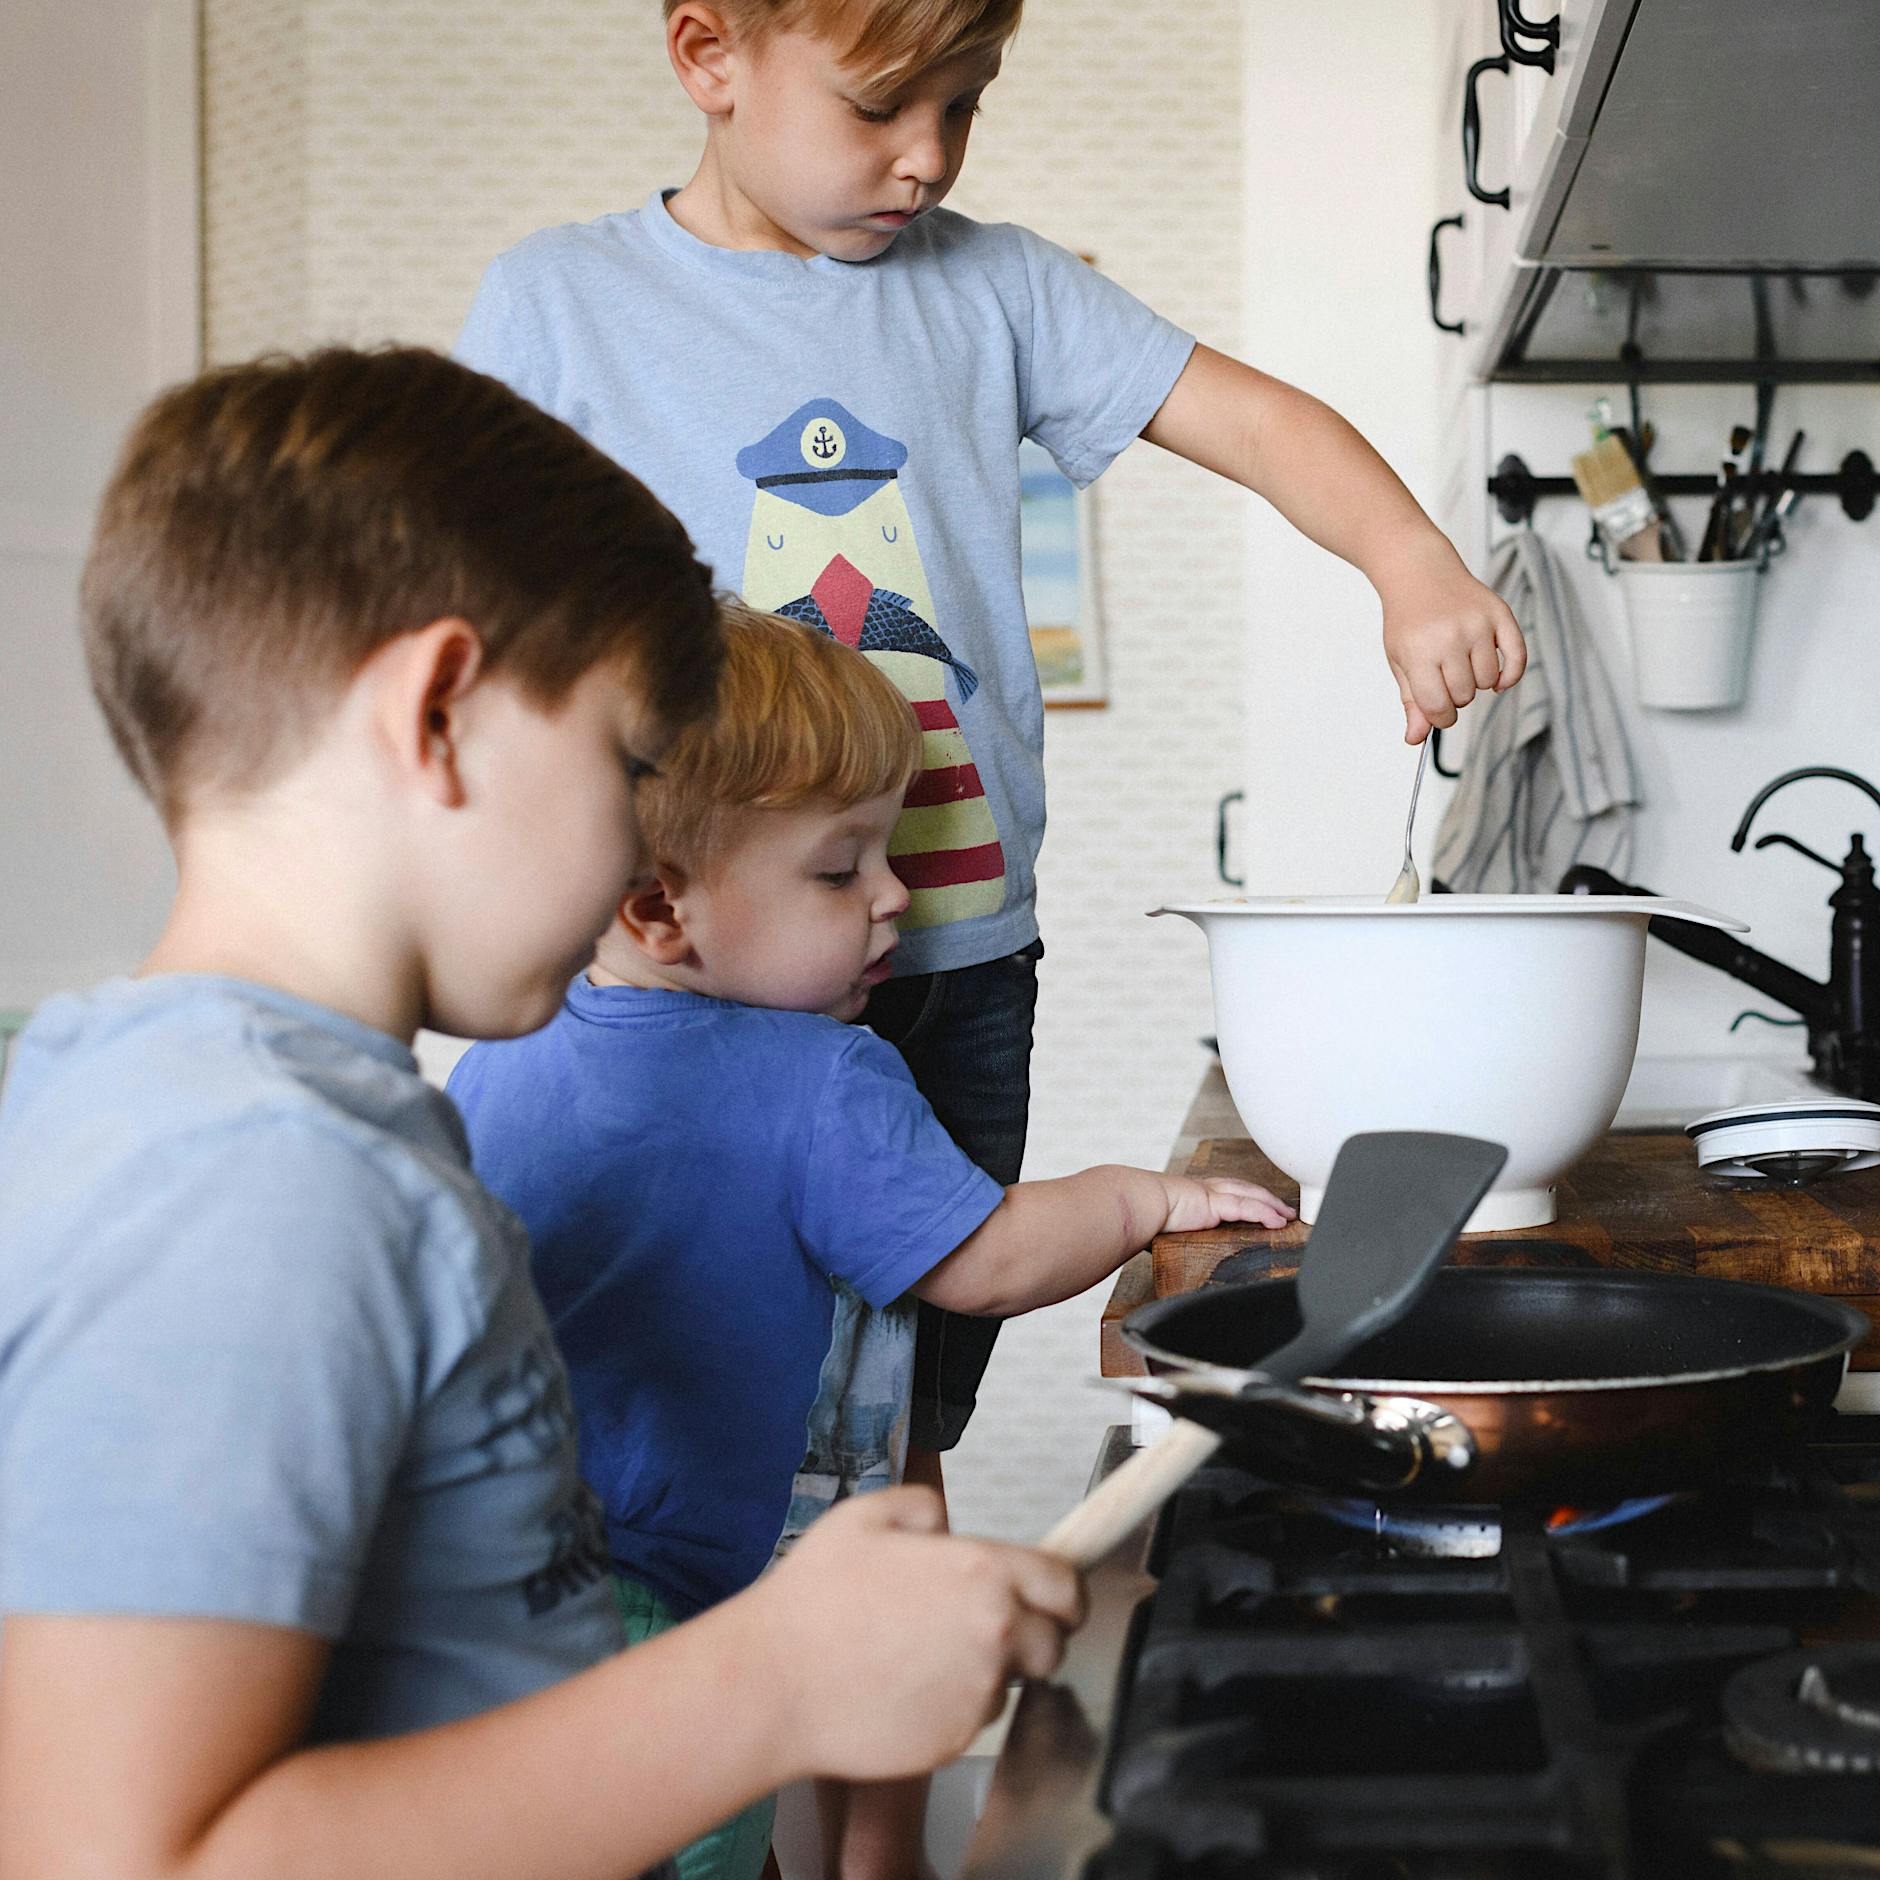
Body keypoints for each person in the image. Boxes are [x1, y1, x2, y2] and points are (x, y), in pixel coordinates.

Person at [454, 0, 1524, 1591]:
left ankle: (874, 1830)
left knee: (895, 1432)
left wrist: (1410, 559)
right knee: (649, 1416)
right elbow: (465, 614)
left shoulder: (996, 283)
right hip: (667, 985)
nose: (932, 155)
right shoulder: (564, 302)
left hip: (945, 964)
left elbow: (1252, 417)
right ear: (708, 57)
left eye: (969, 103)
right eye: (885, 106)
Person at [0, 348, 1086, 1880]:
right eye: (629, 761)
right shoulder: (253, 1182)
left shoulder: (251, 1113)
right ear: (437, 712)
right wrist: (772, 1682)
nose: (634, 860)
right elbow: (122, 1858)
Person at [447, 603, 1294, 1880]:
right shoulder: (819, 1073)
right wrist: (1137, 1197)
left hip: (493, 1591)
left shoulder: (497, 1053)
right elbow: (985, 1257)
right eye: (839, 870)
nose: (895, 896)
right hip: (683, 1591)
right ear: (656, 905)